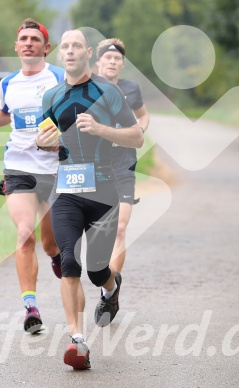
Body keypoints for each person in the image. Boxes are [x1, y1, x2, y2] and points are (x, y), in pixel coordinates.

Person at [36, 29, 143, 370]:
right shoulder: (51, 95)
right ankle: (77, 341)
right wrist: (44, 142)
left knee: (97, 271)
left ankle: (110, 288)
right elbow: (46, 137)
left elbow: (137, 136)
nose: (70, 51)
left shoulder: (108, 91)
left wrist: (101, 130)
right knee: (69, 261)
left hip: (104, 191)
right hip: (66, 190)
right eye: (65, 46)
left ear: (87, 53)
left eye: (76, 46)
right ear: (60, 54)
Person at [0, 18, 64, 334]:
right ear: (17, 47)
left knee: (51, 243)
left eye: (35, 39)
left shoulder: (59, 78)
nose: (28, 43)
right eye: (23, 38)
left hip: (55, 170)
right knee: (25, 234)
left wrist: (62, 137)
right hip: (18, 168)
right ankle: (31, 307)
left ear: (46, 47)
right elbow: (5, 112)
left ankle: (55, 256)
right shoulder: (8, 83)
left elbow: (78, 113)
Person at [95, 38, 150, 273]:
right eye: (108, 57)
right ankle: (99, 271)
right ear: (97, 61)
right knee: (97, 230)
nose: (112, 61)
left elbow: (144, 116)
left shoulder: (131, 88)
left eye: (117, 58)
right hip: (94, 165)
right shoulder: (86, 87)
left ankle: (111, 289)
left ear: (122, 64)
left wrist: (139, 131)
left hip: (124, 164)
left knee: (119, 229)